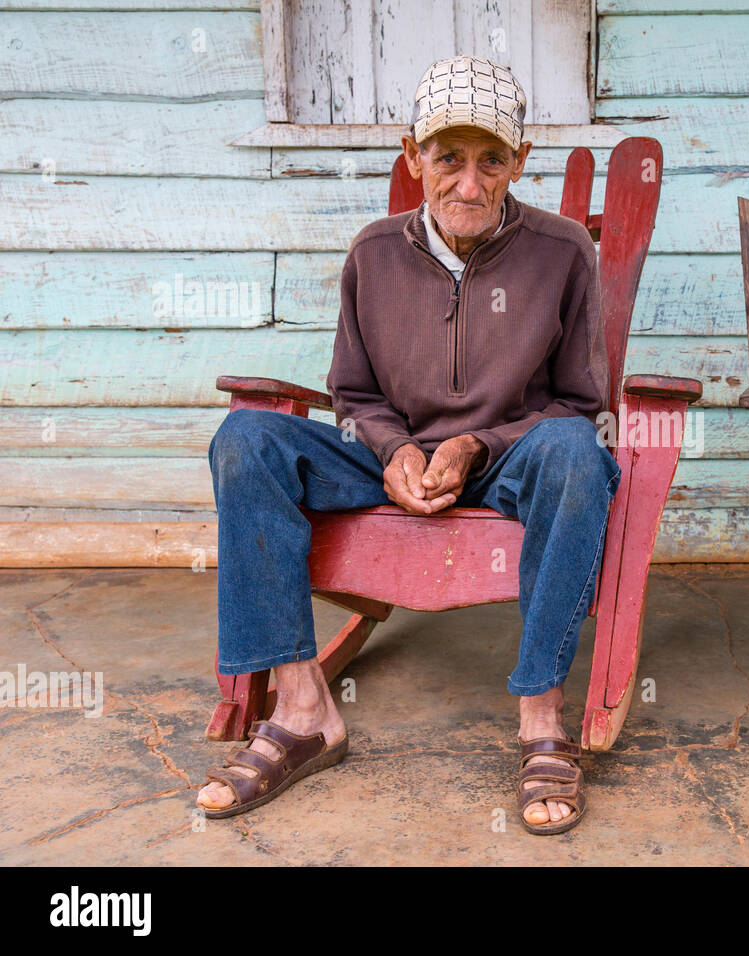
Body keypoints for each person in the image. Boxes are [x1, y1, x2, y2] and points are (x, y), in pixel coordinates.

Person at [197, 54, 618, 835]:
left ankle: (541, 718)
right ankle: (301, 709)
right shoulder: (374, 254)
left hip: (509, 459)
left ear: (518, 162)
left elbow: (579, 405)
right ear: (411, 155)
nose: (468, 181)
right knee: (245, 437)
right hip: (386, 457)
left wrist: (472, 448)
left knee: (578, 454)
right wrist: (394, 451)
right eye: (446, 157)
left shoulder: (562, 252)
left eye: (490, 160)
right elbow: (352, 396)